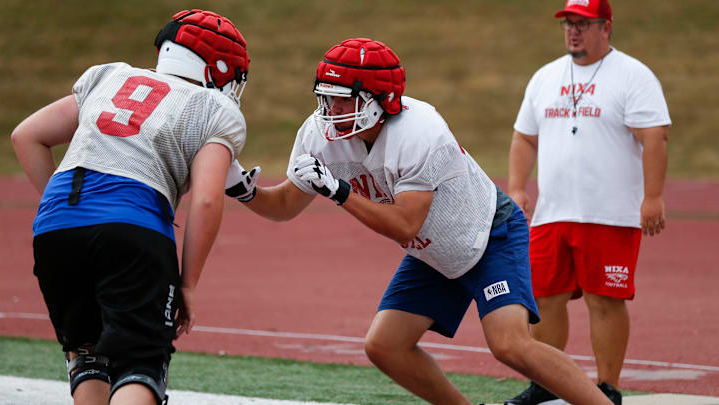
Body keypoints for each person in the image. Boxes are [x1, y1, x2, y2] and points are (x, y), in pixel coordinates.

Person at [225, 37, 613, 405]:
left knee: (509, 344)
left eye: (342, 100)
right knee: (384, 346)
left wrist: (340, 192)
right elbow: (285, 205)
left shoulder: (419, 130)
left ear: (378, 100)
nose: (330, 109)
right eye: (325, 97)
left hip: (487, 233)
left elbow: (405, 225)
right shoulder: (318, 133)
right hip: (434, 251)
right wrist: (243, 190)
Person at [11, 9, 251, 405]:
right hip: (133, 225)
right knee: (141, 363)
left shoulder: (109, 75)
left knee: (86, 353)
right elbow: (207, 199)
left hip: (55, 223)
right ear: (218, 68)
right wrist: (188, 283)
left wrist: (68, 213)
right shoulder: (215, 107)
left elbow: (26, 136)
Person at [504, 0, 671, 404]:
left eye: (582, 23)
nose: (573, 31)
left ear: (605, 27)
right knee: (543, 298)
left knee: (605, 299)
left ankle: (607, 386)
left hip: (609, 212)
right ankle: (546, 383)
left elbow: (654, 136)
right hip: (553, 211)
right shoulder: (545, 77)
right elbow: (525, 137)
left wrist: (652, 197)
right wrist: (517, 188)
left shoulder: (632, 75)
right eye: (568, 23)